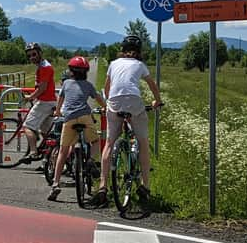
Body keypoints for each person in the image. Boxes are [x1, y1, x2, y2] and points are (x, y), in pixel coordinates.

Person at [90, 35, 163, 207]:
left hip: (114, 102)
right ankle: (145, 186)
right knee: (143, 143)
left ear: (122, 49)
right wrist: (157, 101)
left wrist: (109, 102)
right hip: (134, 101)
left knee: (109, 143)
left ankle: (102, 187)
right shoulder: (139, 64)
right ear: (139, 51)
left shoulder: (114, 63)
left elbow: (107, 87)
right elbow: (152, 84)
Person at [48, 56, 105, 201]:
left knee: (63, 150)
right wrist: (105, 107)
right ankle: (91, 160)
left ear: (70, 71)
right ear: (86, 72)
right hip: (85, 117)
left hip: (69, 119)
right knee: (95, 142)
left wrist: (58, 111)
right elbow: (98, 98)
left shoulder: (66, 83)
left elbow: (60, 101)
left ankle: (55, 183)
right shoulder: (88, 85)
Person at [22, 42, 56, 161]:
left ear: (40, 53)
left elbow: (42, 88)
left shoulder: (45, 67)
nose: (32, 57)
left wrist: (30, 97)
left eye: (34, 54)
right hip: (49, 102)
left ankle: (33, 152)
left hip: (45, 102)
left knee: (27, 126)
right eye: (30, 55)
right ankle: (48, 161)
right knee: (46, 133)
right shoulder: (43, 66)